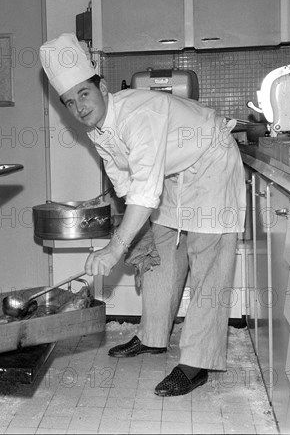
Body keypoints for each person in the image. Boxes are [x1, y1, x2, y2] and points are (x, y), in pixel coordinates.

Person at [39, 33, 246, 397]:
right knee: (160, 255)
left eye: (84, 95)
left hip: (211, 163)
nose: (79, 108)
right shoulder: (99, 127)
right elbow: (124, 179)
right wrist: (135, 232)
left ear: (102, 87)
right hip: (172, 174)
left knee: (208, 263)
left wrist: (115, 248)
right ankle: (152, 337)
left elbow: (145, 189)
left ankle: (197, 363)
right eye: (70, 102)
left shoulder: (138, 115)